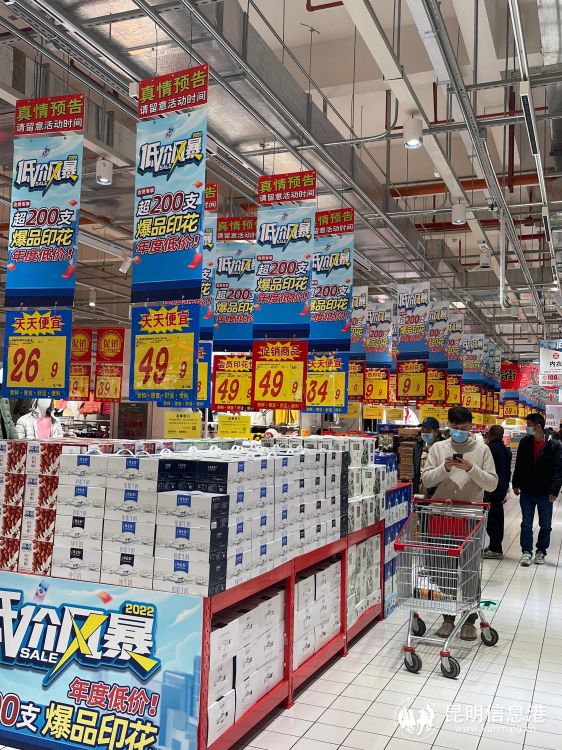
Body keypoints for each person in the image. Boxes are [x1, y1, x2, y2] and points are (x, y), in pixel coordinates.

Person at [422, 406, 498, 641]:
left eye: (463, 428)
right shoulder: (438, 448)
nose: (458, 432)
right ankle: (448, 617)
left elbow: (492, 483)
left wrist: (471, 468)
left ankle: (469, 619)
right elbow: (426, 479)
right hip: (440, 515)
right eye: (454, 427)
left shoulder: (482, 450)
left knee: (469, 570)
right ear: (448, 425)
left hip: (469, 517)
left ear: (471, 427)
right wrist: (444, 468)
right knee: (441, 569)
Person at [512, 413, 562, 566]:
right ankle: (526, 551)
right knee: (526, 523)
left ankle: (541, 551)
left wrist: (554, 490)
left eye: (528, 425)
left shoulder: (554, 445)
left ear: (538, 426)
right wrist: (515, 483)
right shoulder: (525, 442)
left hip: (545, 492)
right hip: (527, 490)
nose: (527, 428)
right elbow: (519, 464)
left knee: (545, 525)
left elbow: (558, 470)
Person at [483, 425, 512, 559]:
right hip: (502, 488)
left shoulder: (489, 449)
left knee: (491, 519)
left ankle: (495, 549)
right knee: (498, 517)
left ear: (490, 434)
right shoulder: (506, 449)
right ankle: (495, 545)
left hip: (491, 489)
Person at [412, 416, 444, 497]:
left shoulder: (443, 447)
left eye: (428, 431)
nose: (425, 433)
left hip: (437, 494)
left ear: (436, 432)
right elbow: (416, 471)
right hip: (419, 491)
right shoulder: (418, 447)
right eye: (423, 430)